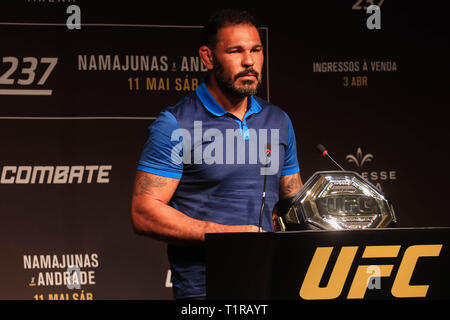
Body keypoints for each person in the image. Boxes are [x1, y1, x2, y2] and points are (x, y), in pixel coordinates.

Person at [131, 8, 303, 300]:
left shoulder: (278, 120)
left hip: (273, 281)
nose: (249, 61)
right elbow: (144, 212)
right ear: (208, 57)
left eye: (256, 50)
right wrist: (221, 235)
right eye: (236, 51)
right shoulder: (176, 124)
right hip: (207, 289)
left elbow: (293, 202)